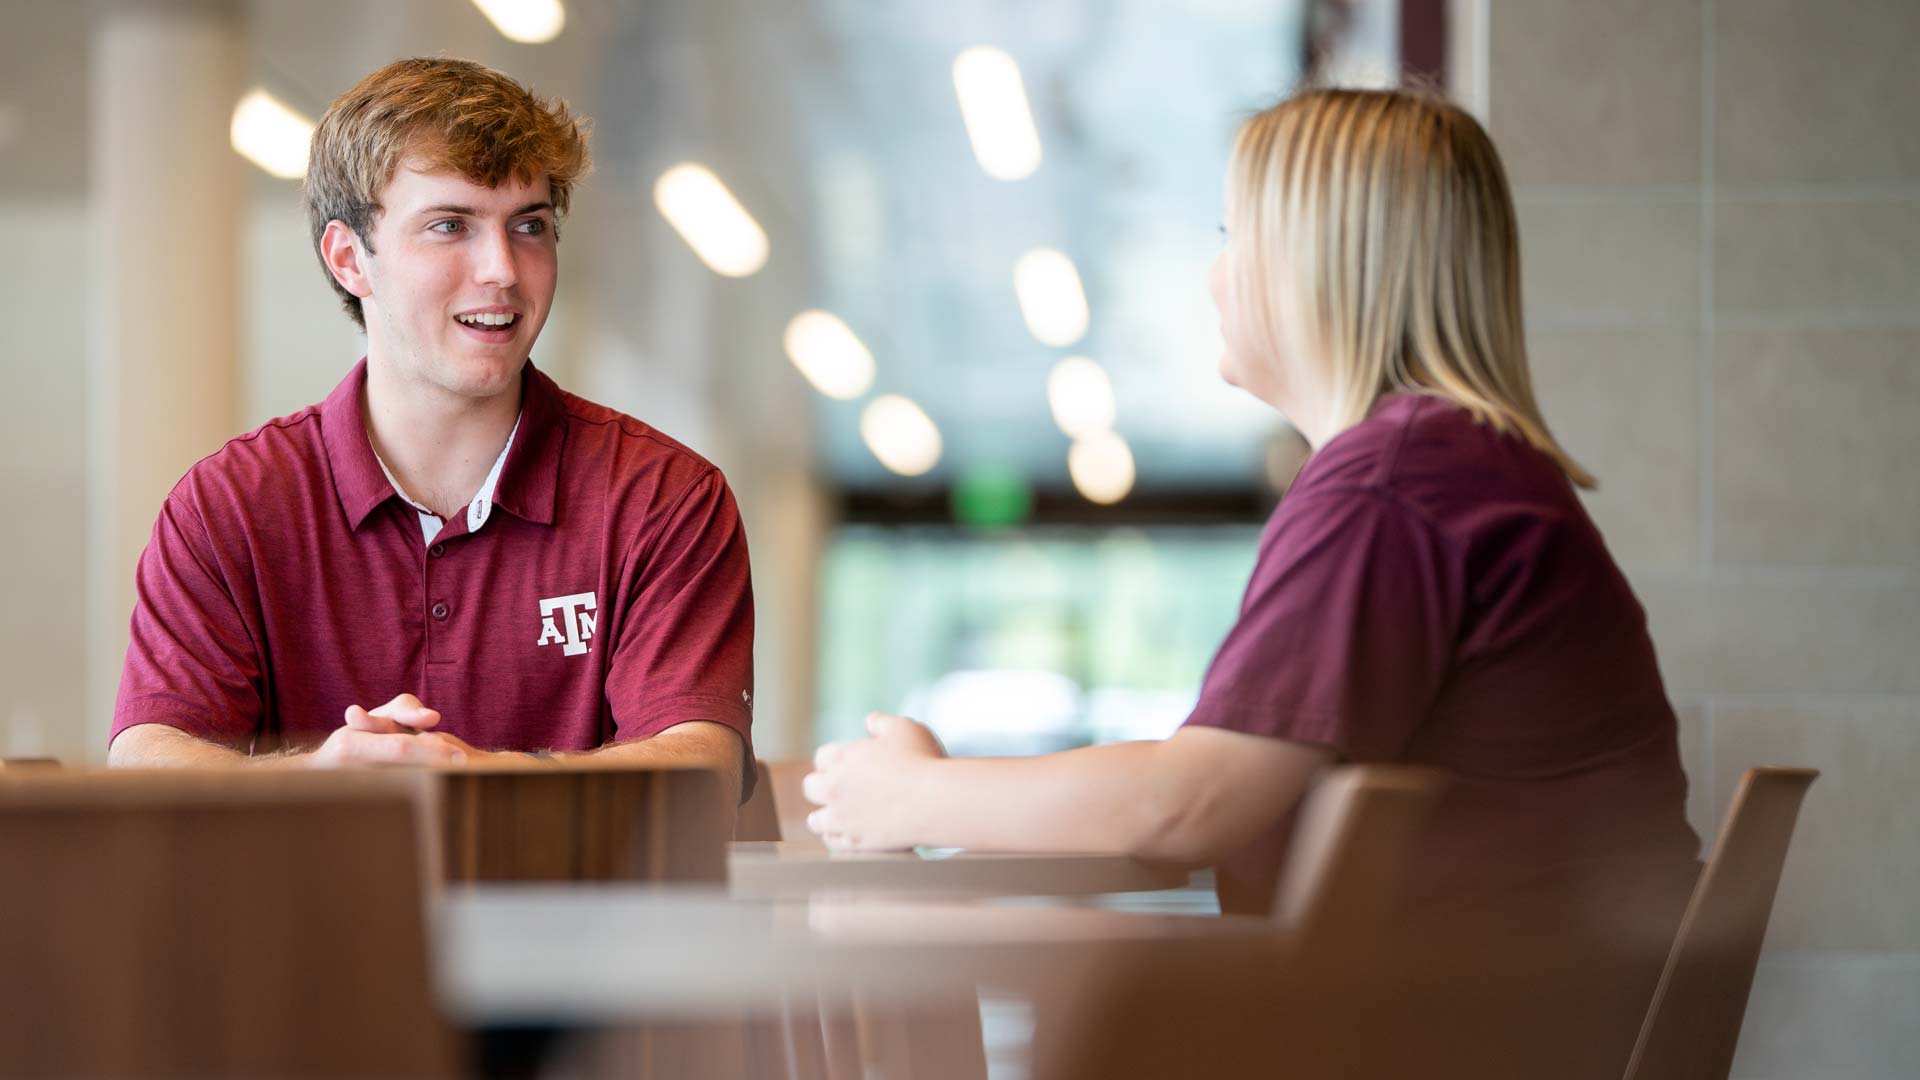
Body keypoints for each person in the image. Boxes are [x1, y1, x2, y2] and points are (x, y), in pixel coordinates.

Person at [805, 88, 1698, 1074]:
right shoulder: (1451, 468)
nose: (1214, 275)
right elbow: (1209, 787)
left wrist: (915, 798)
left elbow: (1187, 806)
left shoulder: (1391, 489)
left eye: (1235, 232)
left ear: (1321, 260)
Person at [108, 58, 754, 806]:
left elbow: (702, 765)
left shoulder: (664, 498)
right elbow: (148, 762)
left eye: (530, 226)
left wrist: (481, 780)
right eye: (450, 226)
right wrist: (319, 780)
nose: (503, 270)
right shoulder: (230, 506)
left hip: (579, 923)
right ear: (351, 259)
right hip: (310, 922)